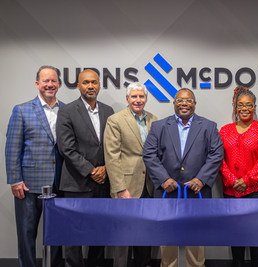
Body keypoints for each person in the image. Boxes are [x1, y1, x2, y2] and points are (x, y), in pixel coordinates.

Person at [143, 88, 224, 267]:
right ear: (174, 104)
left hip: (197, 192)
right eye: (180, 100)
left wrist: (201, 179)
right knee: (168, 240)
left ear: (194, 104)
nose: (184, 104)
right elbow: (149, 154)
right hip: (167, 192)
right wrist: (163, 179)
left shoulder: (209, 127)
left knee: (196, 239)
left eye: (188, 101)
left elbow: (216, 154)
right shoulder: (159, 126)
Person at [5, 65, 64, 267]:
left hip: (58, 185)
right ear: (37, 84)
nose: (50, 84)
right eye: (45, 81)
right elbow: (12, 147)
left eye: (53, 81)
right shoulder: (22, 110)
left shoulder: (67, 111)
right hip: (28, 186)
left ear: (59, 84)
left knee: (56, 235)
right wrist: (15, 180)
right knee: (27, 233)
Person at [56, 69, 114, 267]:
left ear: (99, 85)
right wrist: (91, 170)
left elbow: (112, 145)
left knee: (99, 230)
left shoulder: (108, 111)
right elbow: (66, 148)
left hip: (104, 182)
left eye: (94, 82)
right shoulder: (66, 111)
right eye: (86, 82)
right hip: (76, 183)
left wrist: (106, 167)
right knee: (74, 235)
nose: (91, 86)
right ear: (78, 86)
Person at [219, 86, 258, 267]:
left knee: (257, 236)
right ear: (235, 107)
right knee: (235, 236)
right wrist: (233, 180)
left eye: (248, 105)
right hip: (231, 190)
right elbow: (219, 160)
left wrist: (247, 180)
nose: (244, 108)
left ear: (254, 107)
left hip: (257, 191)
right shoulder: (225, 130)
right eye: (240, 105)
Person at [104, 82, 157, 267]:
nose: (138, 100)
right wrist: (120, 188)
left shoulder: (154, 119)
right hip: (126, 186)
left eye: (141, 96)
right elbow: (112, 157)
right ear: (127, 99)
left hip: (149, 186)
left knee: (144, 235)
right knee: (123, 238)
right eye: (134, 96)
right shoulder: (116, 120)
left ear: (146, 99)